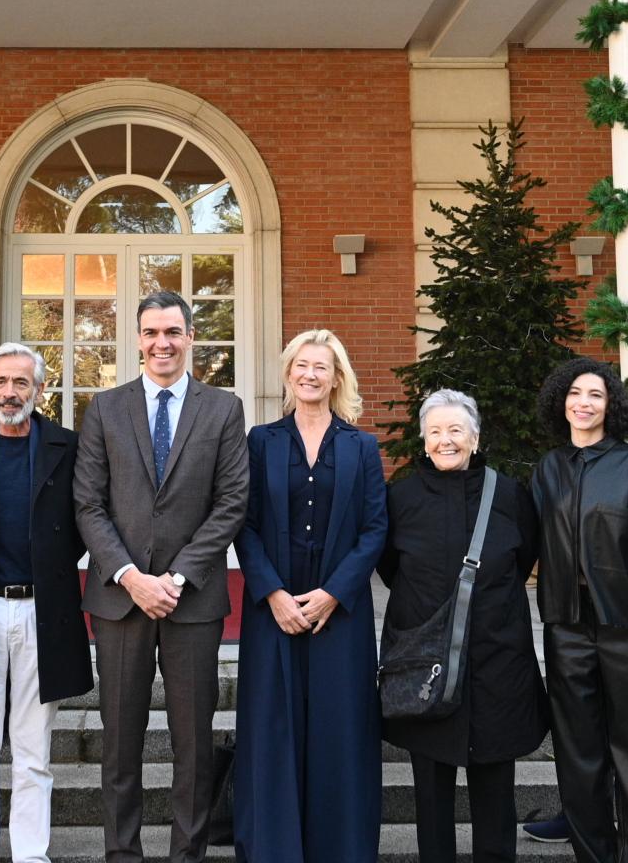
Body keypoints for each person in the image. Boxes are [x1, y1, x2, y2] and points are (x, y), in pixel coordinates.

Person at [74, 289, 249, 863]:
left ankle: (187, 854)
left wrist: (174, 578)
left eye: (172, 332)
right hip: (120, 601)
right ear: (138, 339)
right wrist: (130, 576)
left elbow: (230, 502)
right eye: (150, 333)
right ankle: (122, 854)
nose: (161, 343)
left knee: (193, 745)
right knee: (120, 746)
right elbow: (88, 505)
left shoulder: (223, 409)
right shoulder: (104, 408)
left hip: (191, 601)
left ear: (190, 337)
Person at [231, 329, 386, 863]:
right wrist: (272, 593)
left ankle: (339, 849)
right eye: (302, 365)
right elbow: (244, 526)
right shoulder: (260, 440)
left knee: (339, 732)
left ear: (336, 376)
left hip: (339, 610)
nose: (310, 374)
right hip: (272, 606)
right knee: (271, 730)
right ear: (288, 373)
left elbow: (374, 529)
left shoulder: (362, 446)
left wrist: (333, 594)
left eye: (321, 366)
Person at [0, 342, 94, 863]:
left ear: (40, 389)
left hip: (42, 609)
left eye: (21, 383)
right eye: (2, 382)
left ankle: (31, 853)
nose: (10, 392)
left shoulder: (66, 446)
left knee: (34, 747)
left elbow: (78, 527)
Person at [381, 389, 547, 863]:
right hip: (424, 668)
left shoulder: (511, 494)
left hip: (497, 663)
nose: (445, 440)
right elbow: (391, 568)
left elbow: (524, 558)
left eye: (456, 430)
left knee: (496, 793)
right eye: (435, 431)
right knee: (430, 795)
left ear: (475, 437)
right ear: (423, 439)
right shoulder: (402, 497)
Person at [530, 357, 628, 863]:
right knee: (578, 757)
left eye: (595, 394)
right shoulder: (547, 469)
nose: (584, 403)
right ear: (561, 401)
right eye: (575, 393)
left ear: (610, 404)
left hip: (627, 632)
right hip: (566, 631)